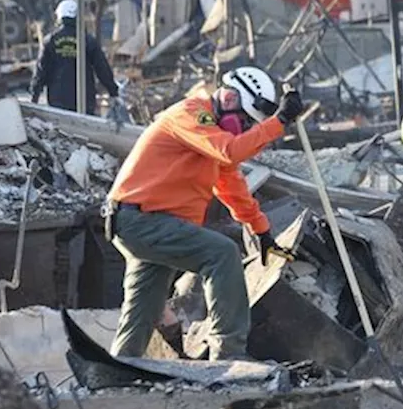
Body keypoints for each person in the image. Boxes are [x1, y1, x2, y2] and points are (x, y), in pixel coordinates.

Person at [105, 66, 303, 359]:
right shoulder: (192, 113)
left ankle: (117, 369)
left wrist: (262, 231)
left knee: (143, 307)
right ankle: (229, 353)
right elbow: (231, 152)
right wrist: (280, 121)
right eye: (246, 122)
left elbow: (232, 188)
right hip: (142, 220)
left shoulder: (213, 138)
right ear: (231, 99)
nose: (246, 129)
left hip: (149, 224)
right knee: (221, 253)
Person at [31, 0, 121, 115]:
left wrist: (35, 96)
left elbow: (41, 71)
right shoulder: (88, 40)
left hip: (58, 100)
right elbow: (102, 69)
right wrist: (113, 91)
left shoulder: (50, 41)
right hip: (84, 100)